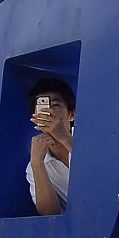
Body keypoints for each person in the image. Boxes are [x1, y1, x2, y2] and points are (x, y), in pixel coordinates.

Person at [26, 77, 74, 215]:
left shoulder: (92, 142)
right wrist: (37, 163)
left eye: (56, 105)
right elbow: (49, 213)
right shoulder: (34, 165)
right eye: (43, 106)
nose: (49, 112)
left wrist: (65, 138)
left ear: (71, 114)